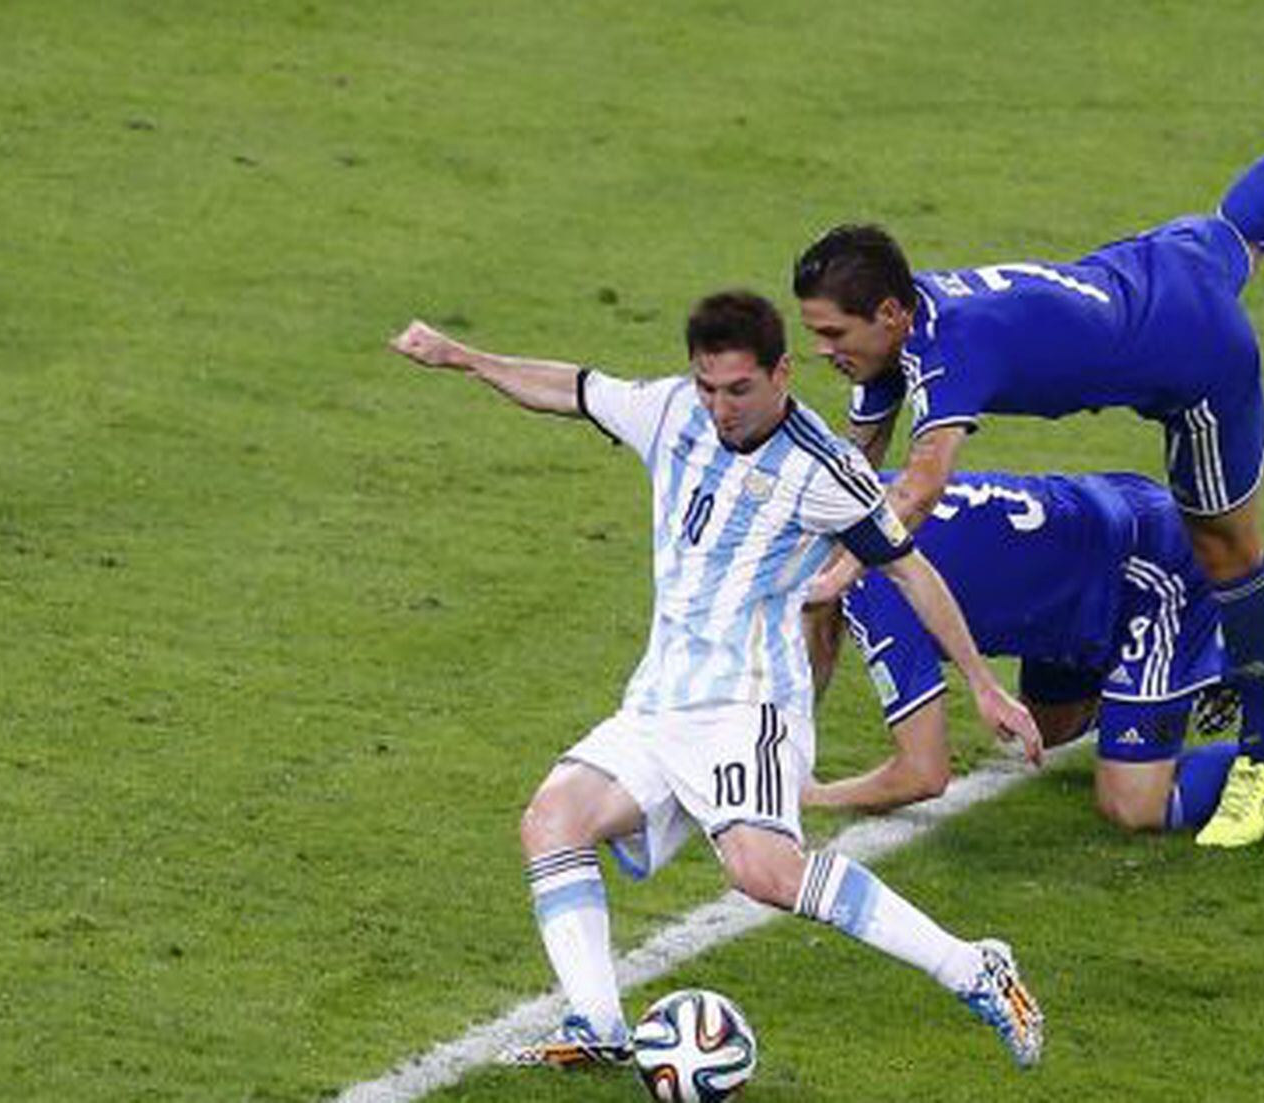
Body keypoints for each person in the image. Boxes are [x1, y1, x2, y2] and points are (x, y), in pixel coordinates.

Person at [790, 2, 1264, 848]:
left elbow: (918, 486)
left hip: (1195, 363)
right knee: (1244, 230)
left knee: (1230, 556)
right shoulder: (901, 334)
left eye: (833, 335)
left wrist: (832, 576)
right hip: (1148, 270)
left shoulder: (946, 351)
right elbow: (855, 466)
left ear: (887, 313)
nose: (823, 351)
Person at [386, 291, 1046, 1070]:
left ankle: (973, 965)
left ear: (781, 373)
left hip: (748, 705)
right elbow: (574, 387)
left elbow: (912, 570)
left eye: (738, 389)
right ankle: (596, 1024)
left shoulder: (824, 468)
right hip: (658, 700)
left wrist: (982, 683)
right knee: (552, 819)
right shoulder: (672, 411)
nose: (720, 406)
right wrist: (465, 358)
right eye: (708, 385)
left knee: (762, 870)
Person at [803, 469, 1264, 834]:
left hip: (1153, 566)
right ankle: (1190, 675)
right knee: (1048, 729)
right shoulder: (865, 504)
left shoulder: (868, 587)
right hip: (1075, 578)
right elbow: (812, 648)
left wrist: (809, 797)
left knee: (1133, 807)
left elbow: (923, 774)